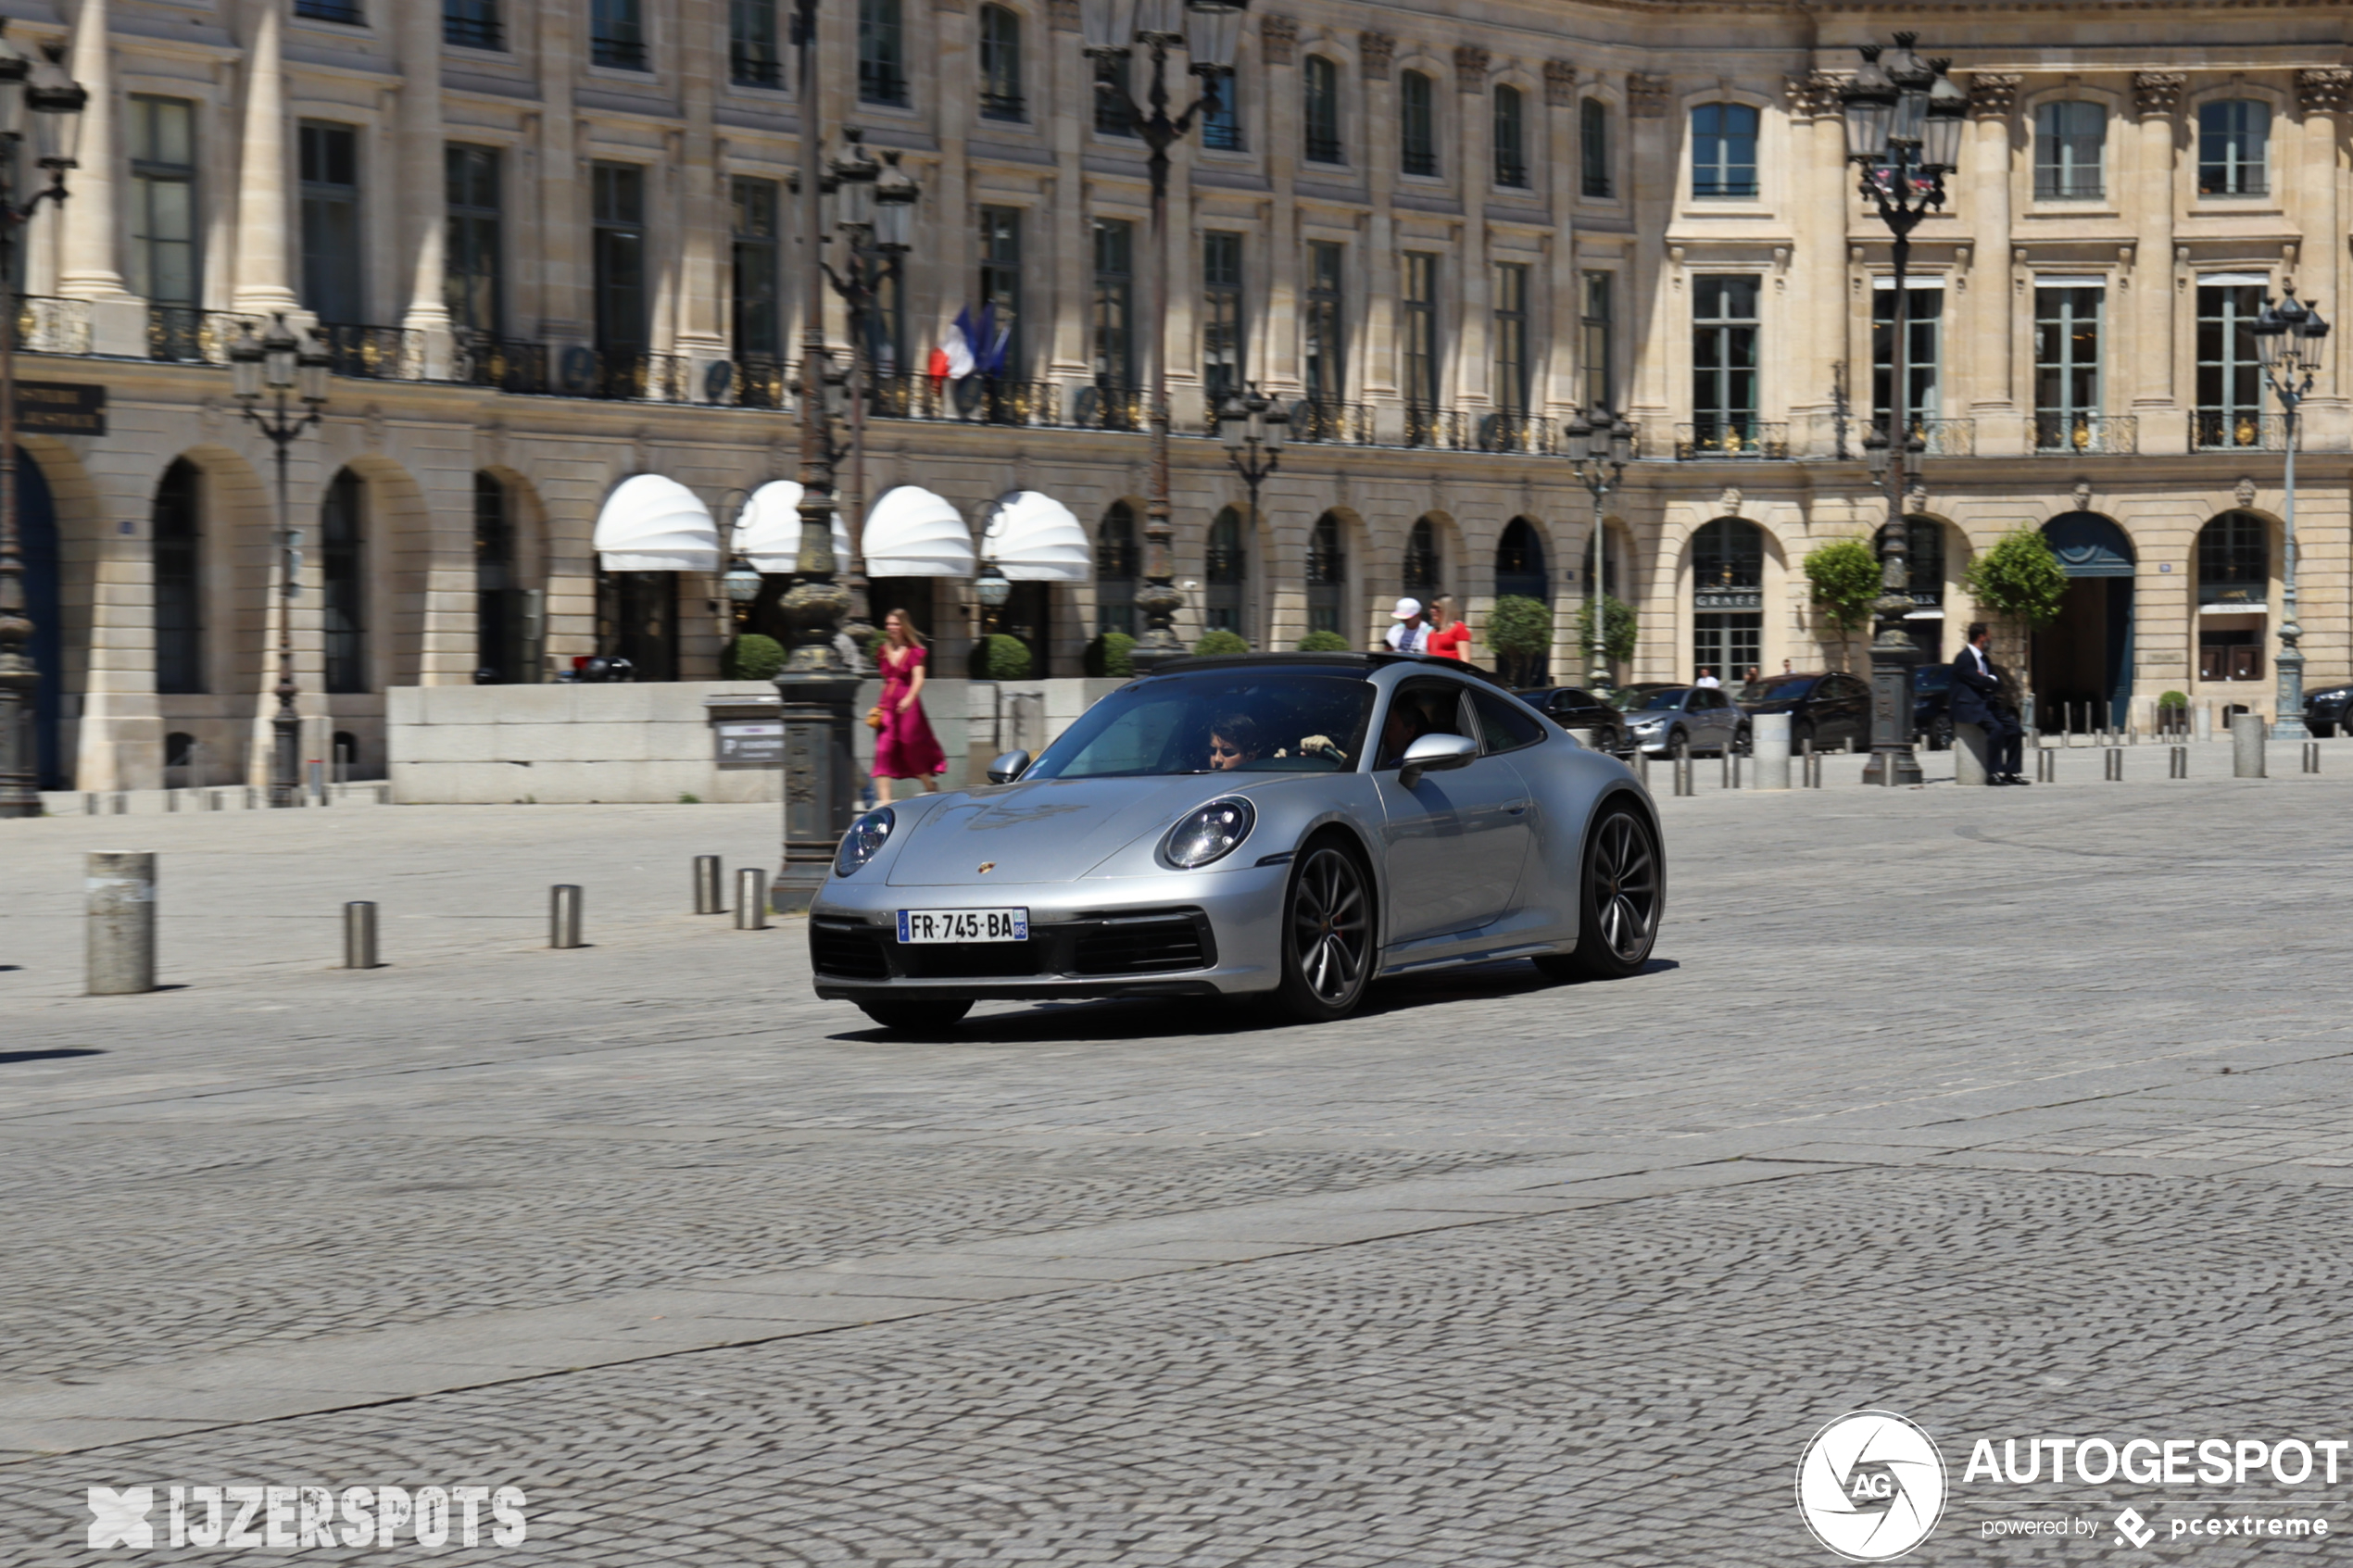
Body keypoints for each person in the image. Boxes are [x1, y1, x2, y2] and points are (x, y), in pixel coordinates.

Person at [872, 608, 946, 800]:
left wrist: (909, 698)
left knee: (910, 745)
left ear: (904, 626)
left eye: (896, 624)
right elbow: (885, 680)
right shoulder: (883, 651)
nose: (891, 628)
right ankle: (884, 801)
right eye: (889, 624)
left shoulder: (915, 651)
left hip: (908, 705)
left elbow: (919, 678)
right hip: (887, 707)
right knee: (883, 749)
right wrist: (880, 705)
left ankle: (930, 785)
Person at [1953, 621, 2028, 785]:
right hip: (1971, 705)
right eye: (1989, 635)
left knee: (2015, 729)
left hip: (1988, 703)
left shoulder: (1985, 659)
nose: (1990, 638)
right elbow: (1978, 681)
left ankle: (2011, 772)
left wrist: (1987, 679)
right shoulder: (1963, 658)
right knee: (1997, 729)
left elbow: (1997, 683)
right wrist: (1987, 680)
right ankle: (1992, 774)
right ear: (1981, 637)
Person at [1425, 596, 1471, 662]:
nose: (1432, 610)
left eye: (1436, 608)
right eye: (1431, 607)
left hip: (1451, 671)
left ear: (1447, 610)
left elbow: (1465, 660)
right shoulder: (1432, 632)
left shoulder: (1458, 628)